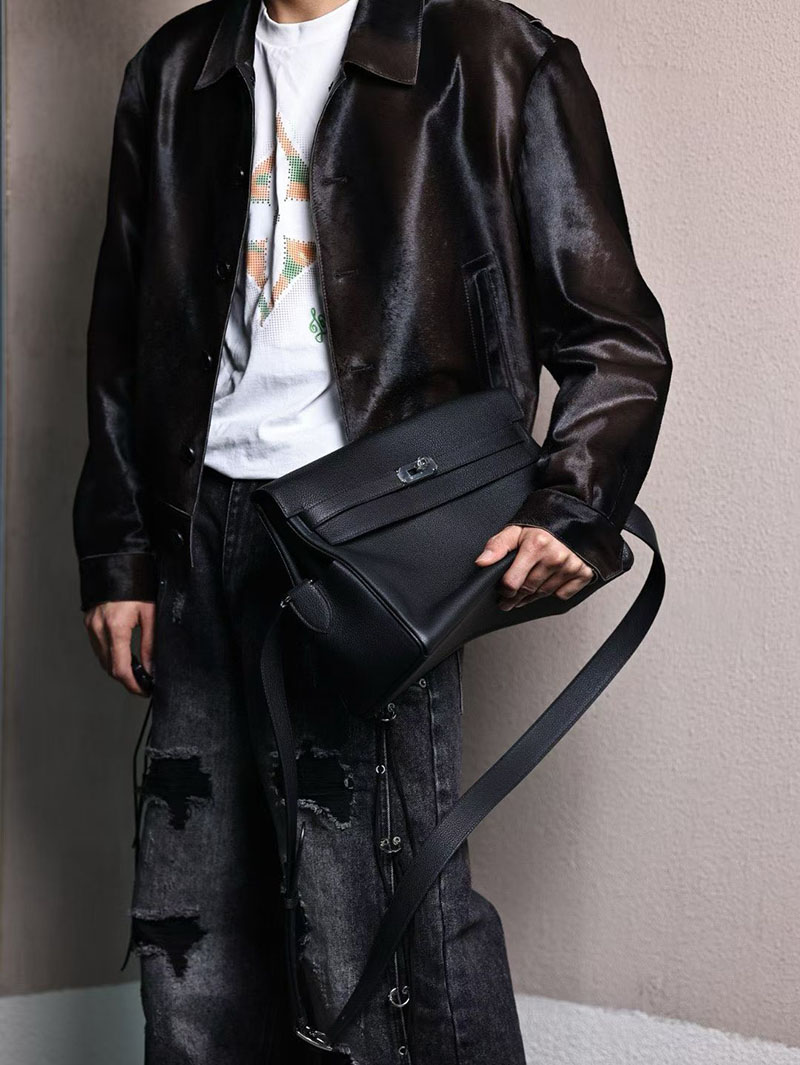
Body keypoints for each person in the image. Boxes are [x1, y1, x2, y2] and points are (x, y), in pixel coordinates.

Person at [73, 0, 672, 1061]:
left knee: (378, 910)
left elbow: (611, 332)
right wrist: (118, 551)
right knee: (193, 909)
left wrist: (575, 506)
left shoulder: (494, 57)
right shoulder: (173, 73)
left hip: (375, 538)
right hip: (196, 523)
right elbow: (122, 340)